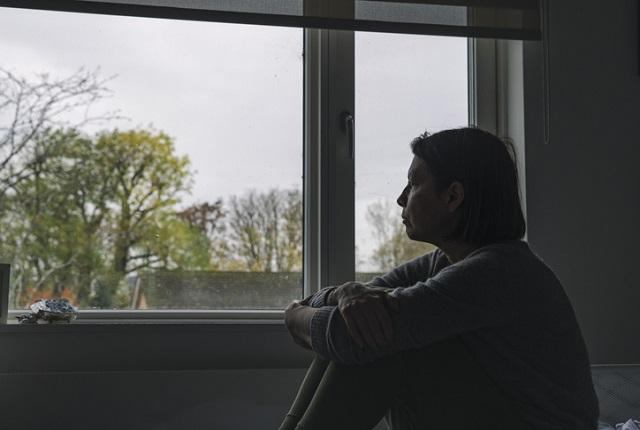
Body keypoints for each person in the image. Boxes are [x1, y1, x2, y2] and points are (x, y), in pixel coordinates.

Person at [280, 127, 600, 430]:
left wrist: (299, 312)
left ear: (453, 196)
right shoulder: (445, 261)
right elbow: (345, 316)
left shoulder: (498, 271)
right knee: (369, 322)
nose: (401, 199)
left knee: (377, 337)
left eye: (413, 184)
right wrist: (343, 295)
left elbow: (346, 337)